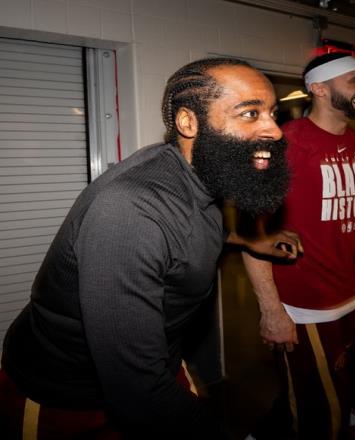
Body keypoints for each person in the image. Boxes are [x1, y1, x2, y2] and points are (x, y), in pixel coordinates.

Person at [0, 57, 302, 439]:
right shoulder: (129, 211)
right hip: (69, 398)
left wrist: (246, 239)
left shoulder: (193, 174)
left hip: (154, 365)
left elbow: (182, 227)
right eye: (249, 114)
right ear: (188, 122)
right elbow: (136, 392)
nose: (274, 130)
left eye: (272, 113)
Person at [243, 52, 355, 440]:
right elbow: (252, 231)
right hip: (302, 303)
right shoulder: (286, 144)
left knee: (328, 389)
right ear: (319, 88)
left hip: (347, 293)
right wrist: (272, 311)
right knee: (318, 411)